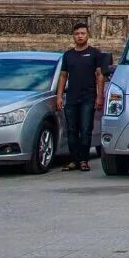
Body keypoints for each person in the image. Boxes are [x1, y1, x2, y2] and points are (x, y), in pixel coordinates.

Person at [54, 23, 104, 172]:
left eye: (82, 33)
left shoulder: (95, 53)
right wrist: (59, 96)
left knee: (86, 129)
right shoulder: (68, 55)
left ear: (88, 35)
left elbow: (100, 76)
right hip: (71, 98)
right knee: (71, 130)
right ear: (73, 36)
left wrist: (99, 97)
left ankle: (84, 160)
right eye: (77, 33)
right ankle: (74, 160)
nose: (80, 36)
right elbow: (63, 76)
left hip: (88, 98)